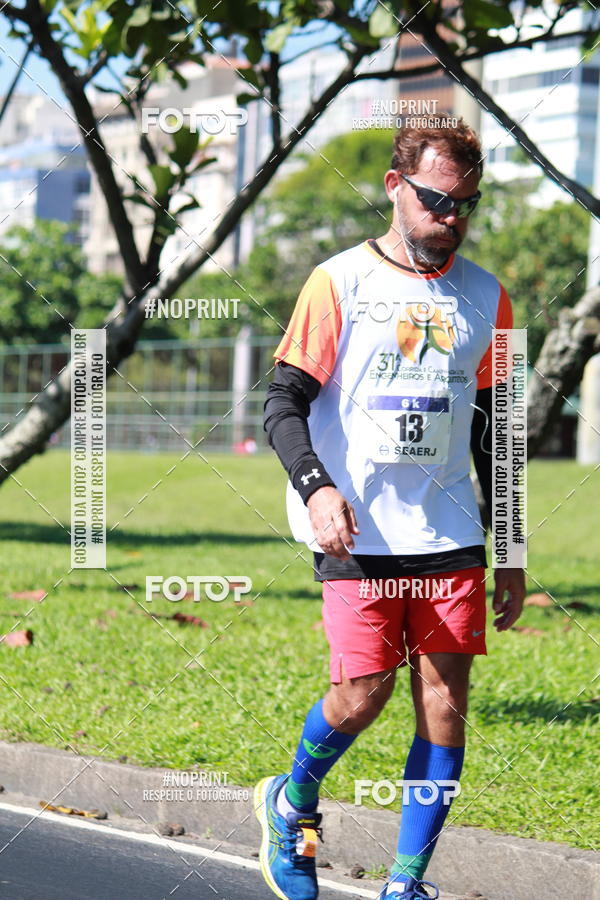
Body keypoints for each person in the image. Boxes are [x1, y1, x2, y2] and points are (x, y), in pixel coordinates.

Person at [254, 120, 526, 900]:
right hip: (354, 524)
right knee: (362, 694)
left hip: (449, 533)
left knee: (445, 713)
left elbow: (498, 433)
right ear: (395, 188)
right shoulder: (336, 282)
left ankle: (405, 885)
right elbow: (282, 404)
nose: (452, 215)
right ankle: (293, 801)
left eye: (467, 203)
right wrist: (317, 487)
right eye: (438, 198)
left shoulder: (490, 299)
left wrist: (508, 548)